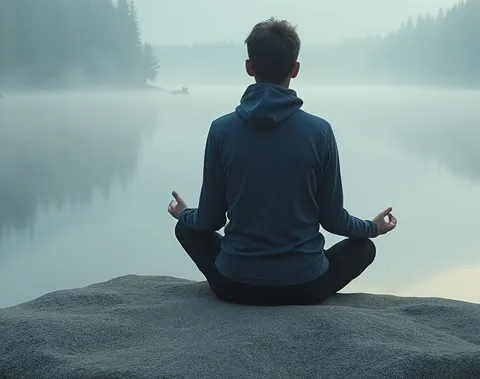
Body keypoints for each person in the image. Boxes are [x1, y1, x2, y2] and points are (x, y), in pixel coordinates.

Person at [167, 19, 398, 306]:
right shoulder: (320, 132)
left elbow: (210, 221)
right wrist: (371, 228)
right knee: (364, 249)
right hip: (305, 286)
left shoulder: (220, 130)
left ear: (249, 67)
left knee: (185, 229)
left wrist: (183, 214)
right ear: (295, 69)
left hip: (234, 285)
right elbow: (332, 219)